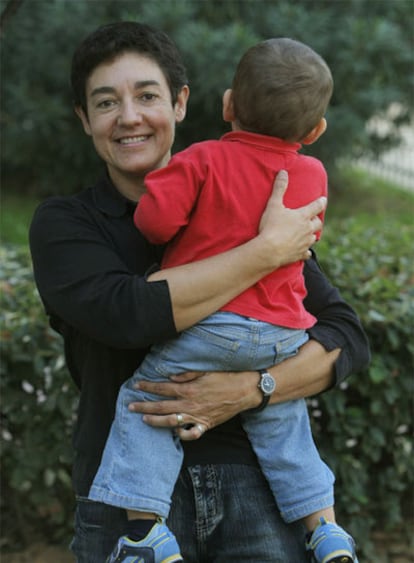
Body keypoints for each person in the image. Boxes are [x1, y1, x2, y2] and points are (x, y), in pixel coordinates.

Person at [29, 22, 370, 563]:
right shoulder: (67, 224)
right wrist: (263, 252)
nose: (130, 117)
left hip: (252, 489)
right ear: (85, 119)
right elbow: (130, 314)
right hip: (119, 505)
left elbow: (344, 336)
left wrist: (253, 388)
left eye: (146, 96)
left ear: (182, 103)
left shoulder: (252, 200)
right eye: (105, 102)